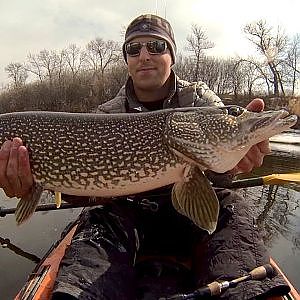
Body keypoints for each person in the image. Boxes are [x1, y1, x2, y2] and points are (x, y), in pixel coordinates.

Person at [0, 14, 290, 299]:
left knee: (233, 214)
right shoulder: (106, 116)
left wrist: (235, 162)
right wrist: (29, 183)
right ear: (127, 59)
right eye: (134, 49)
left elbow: (217, 169)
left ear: (172, 56)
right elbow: (85, 193)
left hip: (189, 223)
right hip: (128, 215)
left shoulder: (201, 104)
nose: (144, 55)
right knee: (96, 228)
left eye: (156, 46)